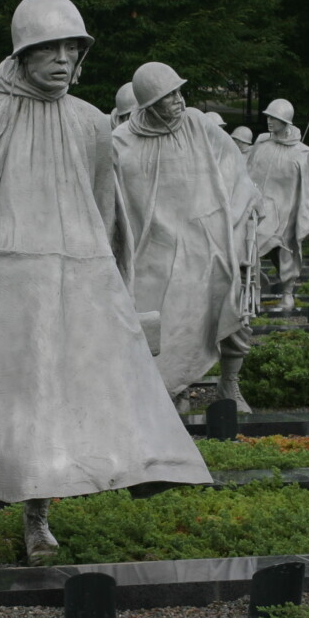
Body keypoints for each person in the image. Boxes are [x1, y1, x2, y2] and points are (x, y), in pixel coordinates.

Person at [0, 0, 211, 567]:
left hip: (62, 289)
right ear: (23, 51)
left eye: (72, 48)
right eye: (49, 47)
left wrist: (111, 300)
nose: (62, 59)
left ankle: (38, 519)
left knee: (48, 401)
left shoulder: (88, 125)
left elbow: (108, 219)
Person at [112, 62, 260, 411]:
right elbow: (113, 205)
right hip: (156, 254)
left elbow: (233, 169)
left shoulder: (197, 124)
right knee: (160, 323)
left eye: (179, 92)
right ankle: (170, 388)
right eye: (169, 96)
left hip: (210, 244)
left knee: (231, 308)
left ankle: (230, 384)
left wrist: (243, 208)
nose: (179, 100)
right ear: (149, 104)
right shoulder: (121, 145)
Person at [246, 98, 309, 309]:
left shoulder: (305, 154)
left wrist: (306, 217)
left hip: (287, 212)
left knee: (284, 253)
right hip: (259, 209)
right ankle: (252, 293)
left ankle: (287, 293)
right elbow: (247, 175)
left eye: (274, 118)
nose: (269, 121)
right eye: (268, 116)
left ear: (286, 121)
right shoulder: (260, 146)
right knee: (250, 247)